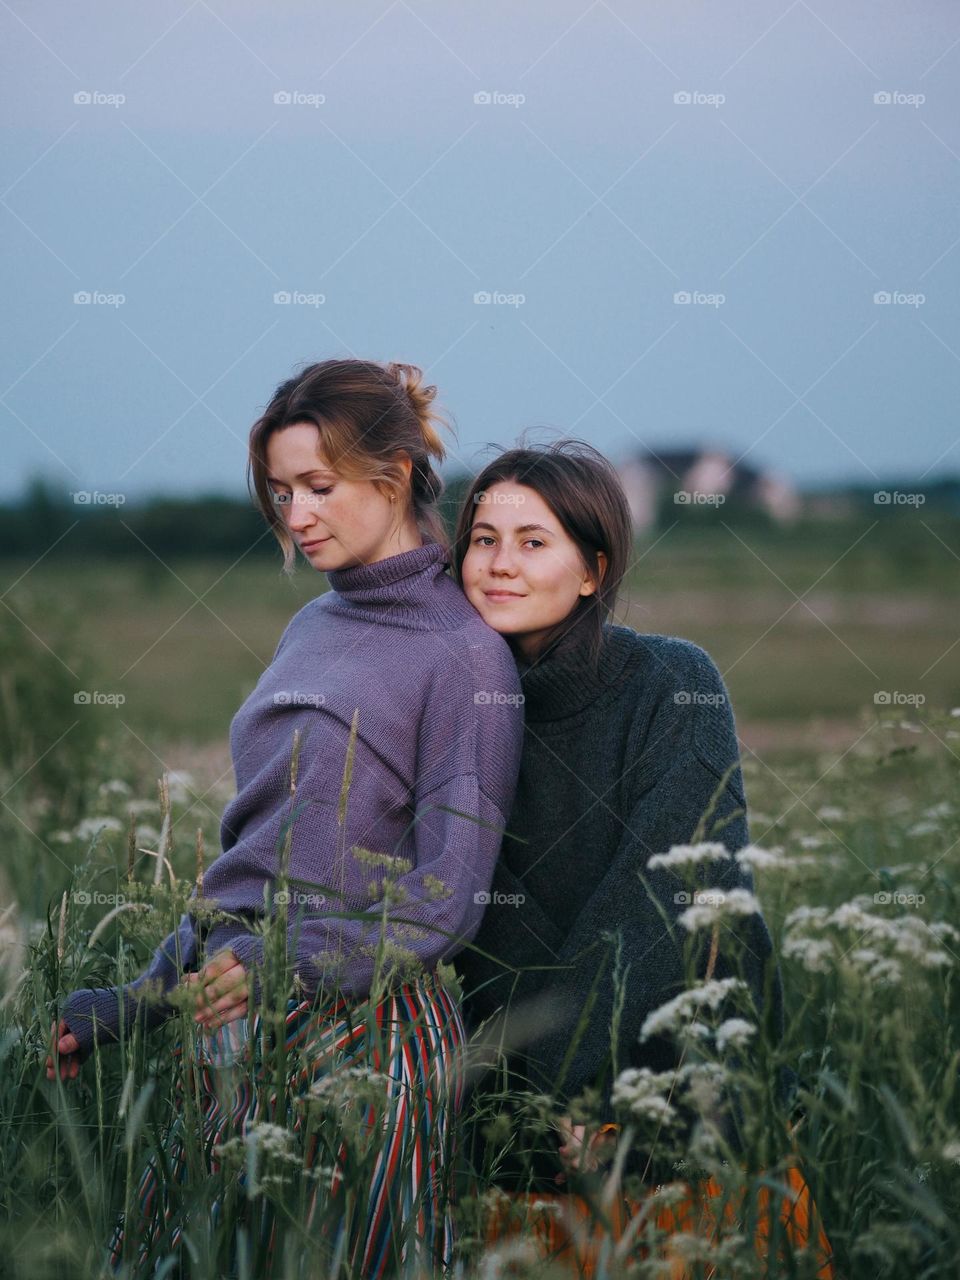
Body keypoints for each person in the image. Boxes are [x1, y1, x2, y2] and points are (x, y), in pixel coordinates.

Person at [46, 359, 524, 1278]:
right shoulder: (312, 626)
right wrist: (137, 1001)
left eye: (318, 486)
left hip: (365, 1039)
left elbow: (446, 901)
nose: (295, 514)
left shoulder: (464, 657)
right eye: (280, 490)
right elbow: (257, 862)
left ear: (391, 478)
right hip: (237, 1021)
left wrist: (284, 962)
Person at [449, 440, 832, 1273]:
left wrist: (553, 1087)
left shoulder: (670, 682)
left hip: (680, 1128)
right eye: (482, 538)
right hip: (518, 1154)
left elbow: (667, 898)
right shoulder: (454, 708)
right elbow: (462, 915)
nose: (500, 564)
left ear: (593, 569)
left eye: (533, 541)